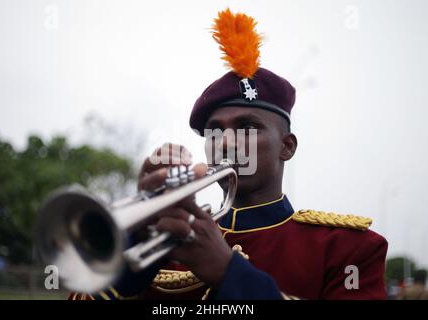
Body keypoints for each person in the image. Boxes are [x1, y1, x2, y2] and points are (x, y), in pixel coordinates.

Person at [70, 8, 388, 300]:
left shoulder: (347, 248)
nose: (227, 142)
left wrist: (229, 273)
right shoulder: (168, 236)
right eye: (216, 131)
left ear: (286, 146)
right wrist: (134, 240)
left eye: (248, 126)